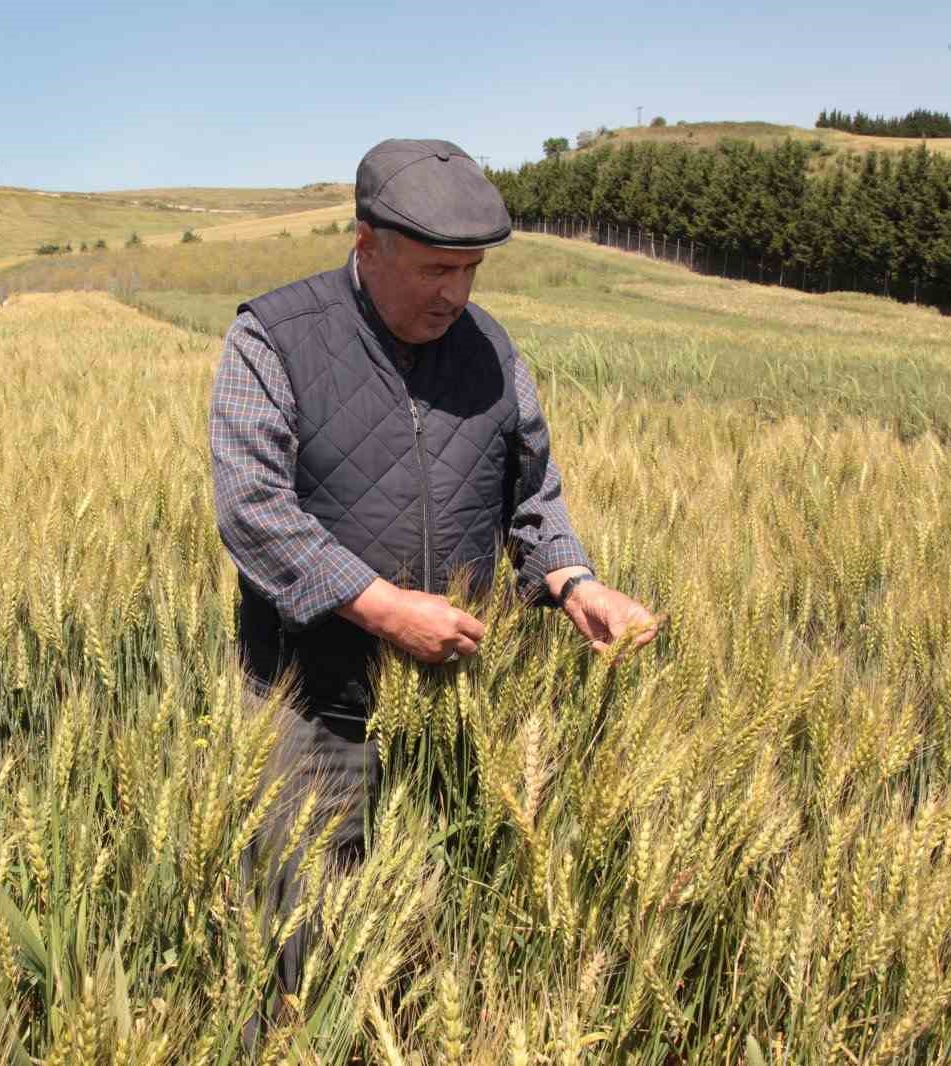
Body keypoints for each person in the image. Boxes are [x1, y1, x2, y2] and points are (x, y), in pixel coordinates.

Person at [209, 137, 659, 999]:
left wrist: (575, 584)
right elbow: (253, 511)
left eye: (470, 271)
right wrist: (379, 607)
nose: (454, 294)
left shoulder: (491, 352)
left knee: (430, 950)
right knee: (303, 952)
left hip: (454, 709)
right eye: (432, 271)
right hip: (315, 709)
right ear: (365, 243)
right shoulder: (273, 339)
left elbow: (532, 496)